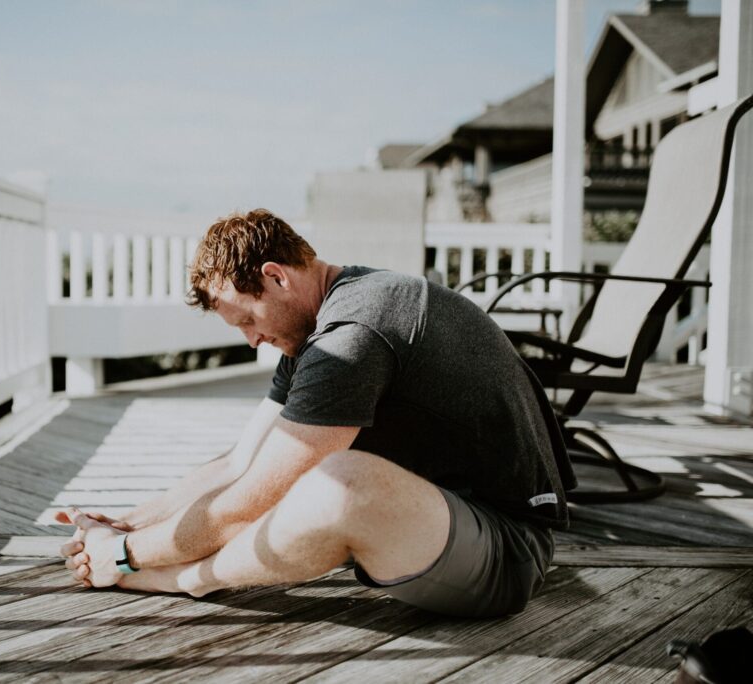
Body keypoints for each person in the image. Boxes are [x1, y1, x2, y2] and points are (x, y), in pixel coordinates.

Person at [58, 208, 575, 618]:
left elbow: (249, 501)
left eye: (247, 319)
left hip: (506, 551)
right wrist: (127, 524)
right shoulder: (316, 330)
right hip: (434, 524)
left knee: (337, 484)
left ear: (275, 276)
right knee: (288, 471)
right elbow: (241, 463)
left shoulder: (353, 334)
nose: (252, 339)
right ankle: (158, 566)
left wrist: (129, 557)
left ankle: (186, 580)